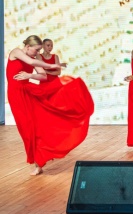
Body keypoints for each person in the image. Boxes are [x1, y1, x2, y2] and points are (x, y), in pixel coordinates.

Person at [7, 35, 94, 175]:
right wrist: (52, 65)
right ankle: (37, 162)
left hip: (28, 92)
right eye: (36, 50)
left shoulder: (34, 58)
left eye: (39, 50)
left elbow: (43, 76)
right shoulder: (16, 52)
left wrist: (30, 76)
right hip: (16, 95)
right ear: (28, 46)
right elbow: (30, 61)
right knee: (26, 130)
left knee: (37, 126)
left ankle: (39, 164)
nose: (37, 53)